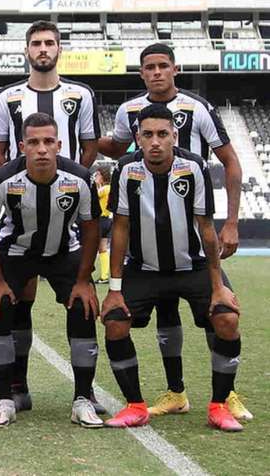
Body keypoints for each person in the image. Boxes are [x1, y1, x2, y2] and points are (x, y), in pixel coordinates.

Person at [98, 43, 249, 420]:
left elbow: (229, 162)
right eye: (149, 67)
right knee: (163, 316)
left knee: (221, 314)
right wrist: (77, 142)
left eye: (163, 66)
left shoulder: (197, 111)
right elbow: (116, 151)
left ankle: (223, 396)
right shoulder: (128, 115)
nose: (157, 72)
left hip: (191, 236)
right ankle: (173, 392)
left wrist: (231, 222)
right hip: (147, 250)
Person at [0, 112, 103, 428]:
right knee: (0, 306)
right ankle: (4, 399)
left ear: (59, 144)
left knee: (83, 307)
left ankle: (82, 399)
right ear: (22, 146)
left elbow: (90, 229)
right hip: (16, 252)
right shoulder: (2, 179)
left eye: (48, 141)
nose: (42, 149)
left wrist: (83, 280)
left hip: (64, 251)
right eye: (34, 142)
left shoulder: (80, 179)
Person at [0, 20, 99, 169]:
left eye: (49, 43)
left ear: (59, 50)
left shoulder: (82, 95)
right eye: (36, 44)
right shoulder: (5, 97)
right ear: (26, 51)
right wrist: (13, 180)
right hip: (22, 189)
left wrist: (74, 177)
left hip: (67, 188)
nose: (43, 49)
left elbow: (90, 149)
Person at [94, 165, 113, 284]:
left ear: (103, 176)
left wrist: (96, 184)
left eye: (98, 174)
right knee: (103, 248)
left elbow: (92, 197)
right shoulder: (110, 188)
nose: (96, 177)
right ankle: (104, 276)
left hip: (101, 220)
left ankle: (84, 274)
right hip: (107, 220)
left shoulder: (105, 189)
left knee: (90, 247)